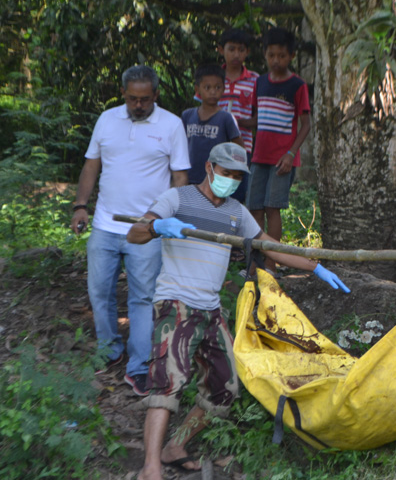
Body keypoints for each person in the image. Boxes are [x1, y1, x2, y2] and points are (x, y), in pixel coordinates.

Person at [128, 143, 349, 480]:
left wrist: (315, 267)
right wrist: (157, 227)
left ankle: (177, 446)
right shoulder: (177, 199)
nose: (230, 180)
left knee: (225, 386)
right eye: (225, 173)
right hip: (176, 304)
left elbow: (268, 246)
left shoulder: (236, 212)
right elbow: (135, 233)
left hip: (211, 310)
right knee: (167, 382)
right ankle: (150, 467)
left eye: (236, 176)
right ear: (209, 168)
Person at [71, 65, 190, 396]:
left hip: (147, 229)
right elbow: (91, 165)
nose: (138, 105)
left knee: (142, 297)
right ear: (123, 93)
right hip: (104, 226)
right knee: (99, 292)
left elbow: (180, 177)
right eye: (132, 99)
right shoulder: (107, 120)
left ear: (156, 95)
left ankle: (139, 366)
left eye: (145, 99)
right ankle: (110, 350)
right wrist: (81, 205)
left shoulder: (170, 124)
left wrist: (169, 220)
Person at [242, 27, 311, 273]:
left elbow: (306, 124)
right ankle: (254, 264)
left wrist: (291, 155)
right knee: (254, 208)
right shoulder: (260, 82)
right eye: (271, 55)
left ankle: (270, 263)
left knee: (273, 208)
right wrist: (234, 121)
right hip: (259, 156)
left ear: (291, 55)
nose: (276, 61)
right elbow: (257, 119)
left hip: (282, 158)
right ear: (265, 55)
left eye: (281, 56)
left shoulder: (297, 85)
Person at [216, 28, 259, 203]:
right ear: (221, 50)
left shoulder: (255, 80)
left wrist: (237, 123)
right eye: (231, 49)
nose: (236, 54)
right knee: (214, 189)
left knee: (237, 192)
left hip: (243, 147)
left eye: (241, 50)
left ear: (247, 52)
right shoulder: (214, 78)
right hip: (215, 145)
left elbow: (259, 117)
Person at [182, 63, 243, 186]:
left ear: (223, 89)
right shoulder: (187, 115)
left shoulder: (226, 118)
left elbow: (239, 148)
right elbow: (178, 145)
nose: (213, 92)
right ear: (197, 89)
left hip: (215, 179)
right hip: (190, 177)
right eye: (207, 87)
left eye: (217, 87)